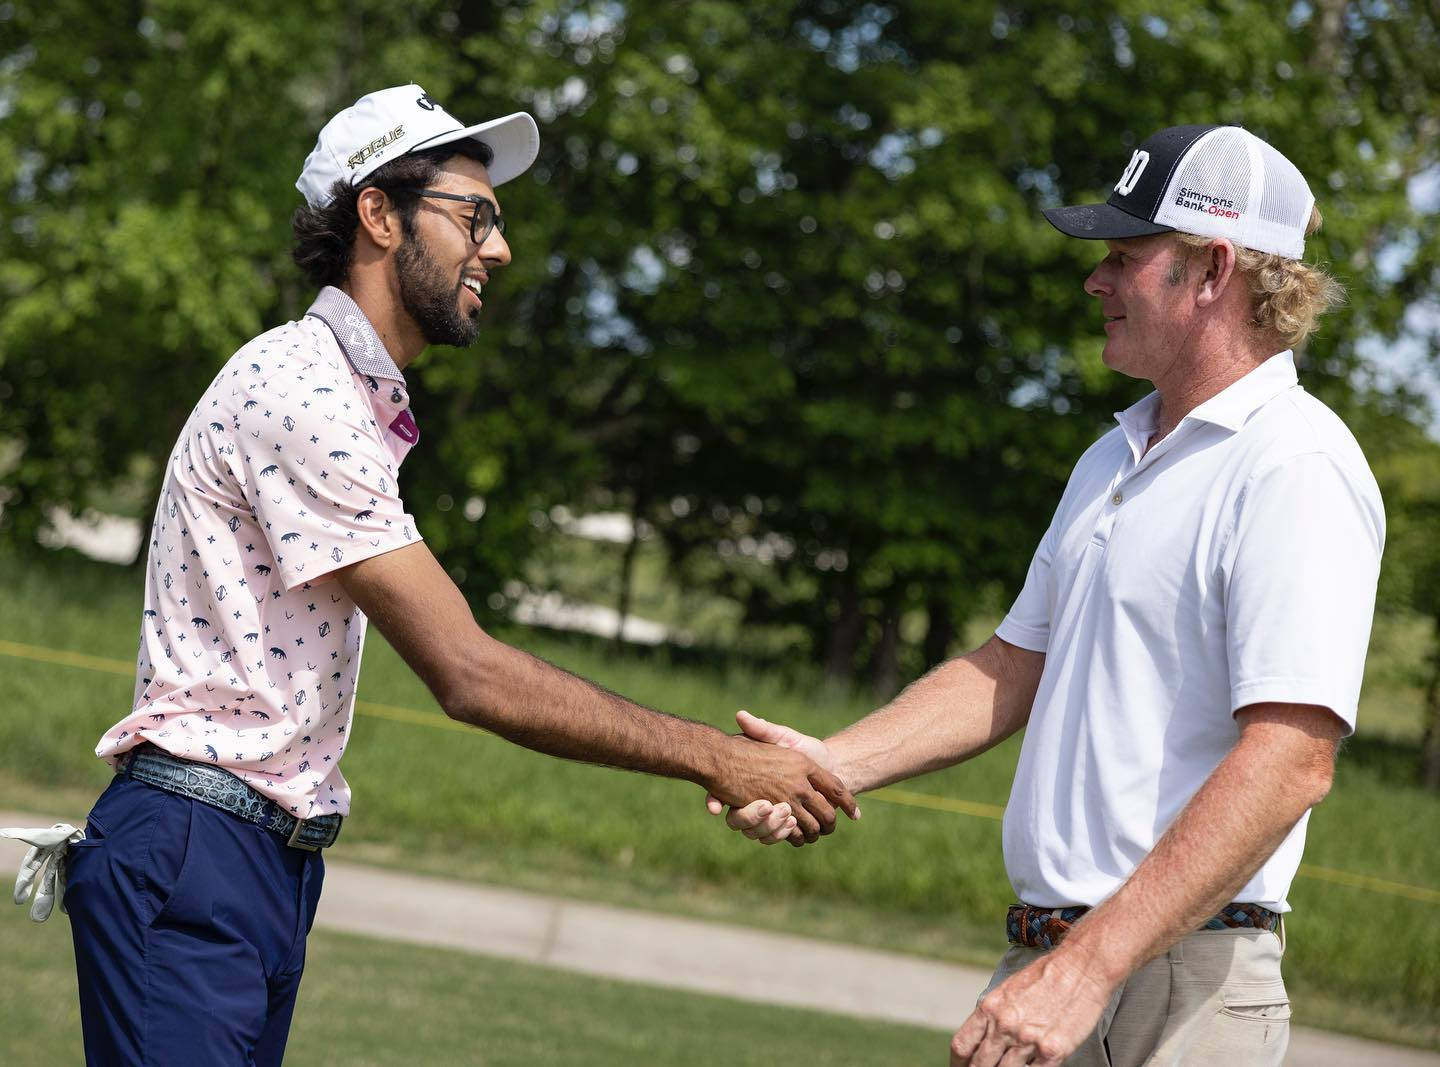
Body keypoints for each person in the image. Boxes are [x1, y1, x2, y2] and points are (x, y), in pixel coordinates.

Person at [44, 84, 854, 1066]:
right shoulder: (303, 394)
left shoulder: (347, 396)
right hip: (194, 852)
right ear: (377, 215)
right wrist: (720, 757)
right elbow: (467, 672)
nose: (499, 249)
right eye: (475, 215)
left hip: (255, 862)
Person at [715, 124, 1383, 1067]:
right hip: (1062, 964)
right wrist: (828, 764)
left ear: (1213, 270)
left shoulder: (1297, 463)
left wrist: (1089, 967)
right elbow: (1009, 667)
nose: (1095, 281)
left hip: (1172, 985)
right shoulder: (1114, 454)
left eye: (1124, 256)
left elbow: (1290, 761)